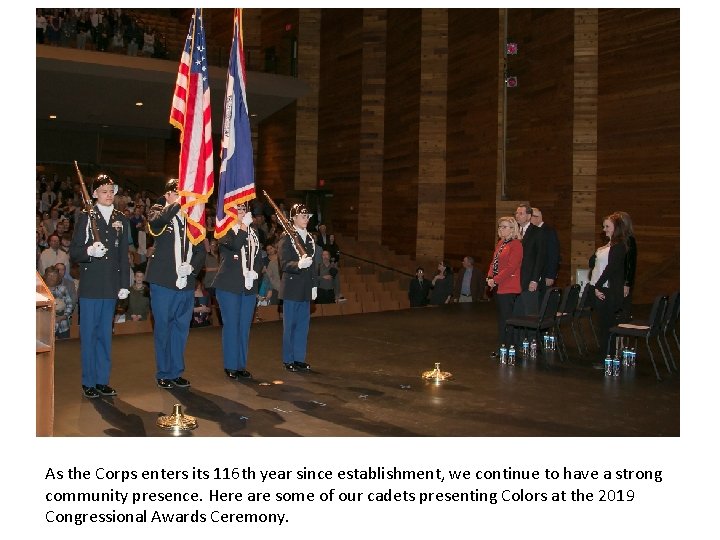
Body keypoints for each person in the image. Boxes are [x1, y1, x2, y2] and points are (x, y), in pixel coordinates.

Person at [70, 173, 130, 399]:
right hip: (92, 285)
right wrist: (89, 251)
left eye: (111, 191)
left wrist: (124, 283)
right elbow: (74, 252)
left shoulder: (120, 219)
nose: (109, 195)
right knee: (89, 335)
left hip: (111, 286)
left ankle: (102, 380)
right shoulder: (86, 217)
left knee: (105, 335)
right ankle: (88, 381)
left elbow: (123, 255)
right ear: (94, 194)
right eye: (104, 192)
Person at [145, 179, 206, 389]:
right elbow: (155, 223)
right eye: (177, 193)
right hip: (163, 281)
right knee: (163, 327)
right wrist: (177, 204)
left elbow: (200, 251)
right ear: (168, 195)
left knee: (181, 328)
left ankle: (176, 371)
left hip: (186, 282)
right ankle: (163, 371)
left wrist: (192, 267)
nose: (182, 198)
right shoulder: (158, 210)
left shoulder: (193, 219)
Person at [212, 203, 263, 379]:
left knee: (244, 327)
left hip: (248, 285)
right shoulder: (224, 230)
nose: (241, 213)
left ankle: (241, 365)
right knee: (232, 325)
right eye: (238, 210)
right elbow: (235, 245)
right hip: (229, 285)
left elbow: (258, 256)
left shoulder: (253, 233)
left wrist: (254, 271)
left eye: (244, 210)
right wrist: (242, 226)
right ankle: (231, 365)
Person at [278, 203, 321, 372]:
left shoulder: (309, 238)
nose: (306, 219)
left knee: (303, 325)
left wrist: (314, 285)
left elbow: (313, 265)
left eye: (307, 217)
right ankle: (288, 359)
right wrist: (298, 265)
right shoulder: (286, 237)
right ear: (294, 218)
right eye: (303, 216)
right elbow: (284, 263)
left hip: (305, 287)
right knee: (290, 326)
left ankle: (299, 358)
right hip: (292, 287)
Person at [588, 213, 628, 356]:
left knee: (607, 326)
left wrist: (598, 285)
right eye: (604, 226)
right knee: (602, 325)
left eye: (607, 226)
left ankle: (608, 357)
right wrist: (598, 252)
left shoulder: (619, 246)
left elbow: (611, 269)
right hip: (601, 287)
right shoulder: (606, 246)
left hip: (608, 290)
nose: (604, 229)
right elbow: (592, 263)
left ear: (616, 228)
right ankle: (605, 355)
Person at [486, 217, 523, 348]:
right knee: (502, 319)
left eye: (504, 226)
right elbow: (494, 262)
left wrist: (495, 280)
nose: (501, 229)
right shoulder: (501, 243)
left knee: (507, 319)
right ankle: (502, 347)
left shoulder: (516, 244)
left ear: (513, 229)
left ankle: (509, 347)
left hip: (508, 286)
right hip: (498, 285)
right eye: (500, 226)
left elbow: (511, 267)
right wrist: (489, 277)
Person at [513, 203, 545, 316]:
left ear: (528, 216)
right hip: (514, 278)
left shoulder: (537, 232)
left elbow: (540, 257)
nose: (517, 215)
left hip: (528, 278)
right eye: (516, 213)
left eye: (521, 213)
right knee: (515, 311)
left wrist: (535, 279)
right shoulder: (513, 232)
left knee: (528, 312)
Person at [615, 210, 637, 322]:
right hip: (617, 279)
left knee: (623, 310)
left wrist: (627, 283)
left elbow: (630, 263)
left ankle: (621, 337)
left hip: (623, 280)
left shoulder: (629, 239)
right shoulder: (617, 239)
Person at [531, 208, 560, 289]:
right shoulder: (532, 232)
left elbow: (554, 254)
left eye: (530, 217)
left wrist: (550, 275)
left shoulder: (548, 231)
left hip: (545, 273)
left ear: (538, 217)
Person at [44, 266, 74, 340]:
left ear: (58, 277)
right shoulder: (41, 291)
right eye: (50, 275)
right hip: (45, 325)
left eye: (54, 275)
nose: (52, 278)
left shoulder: (63, 289)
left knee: (65, 349)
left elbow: (69, 304)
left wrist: (63, 316)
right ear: (45, 276)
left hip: (63, 325)